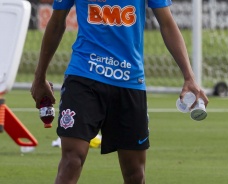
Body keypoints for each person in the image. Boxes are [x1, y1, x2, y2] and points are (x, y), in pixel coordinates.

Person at [30, 0, 209, 183]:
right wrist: (39, 77)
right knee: (72, 159)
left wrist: (189, 76)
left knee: (135, 173)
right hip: (84, 76)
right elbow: (57, 22)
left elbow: (167, 24)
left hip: (130, 82)